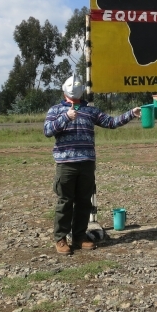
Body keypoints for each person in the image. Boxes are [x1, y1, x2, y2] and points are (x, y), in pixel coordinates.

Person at [44, 74, 141, 255]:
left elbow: (111, 122)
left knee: (84, 202)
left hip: (87, 163)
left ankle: (79, 237)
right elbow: (47, 131)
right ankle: (61, 238)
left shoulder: (90, 110)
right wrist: (65, 117)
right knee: (65, 201)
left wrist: (131, 114)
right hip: (66, 164)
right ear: (65, 90)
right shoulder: (55, 110)